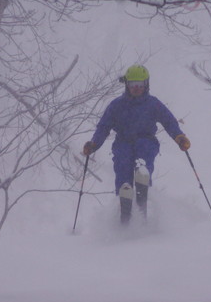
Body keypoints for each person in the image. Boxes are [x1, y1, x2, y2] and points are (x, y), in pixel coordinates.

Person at [82, 65, 191, 223]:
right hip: (123, 141)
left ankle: (142, 180)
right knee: (122, 162)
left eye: (140, 84)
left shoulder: (153, 104)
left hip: (146, 140)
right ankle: (125, 195)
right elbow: (103, 127)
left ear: (146, 84)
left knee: (144, 152)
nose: (137, 88)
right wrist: (93, 144)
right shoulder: (117, 105)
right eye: (133, 84)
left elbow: (169, 121)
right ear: (127, 84)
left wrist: (179, 137)